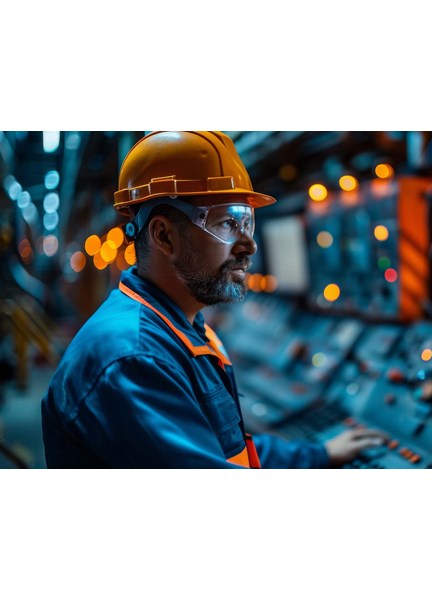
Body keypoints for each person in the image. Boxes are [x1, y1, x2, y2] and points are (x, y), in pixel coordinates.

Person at [42, 131, 385, 468]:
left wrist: (317, 455)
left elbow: (225, 449)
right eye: (227, 223)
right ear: (164, 235)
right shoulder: (133, 358)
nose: (249, 245)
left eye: (247, 222)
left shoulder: (183, 328)